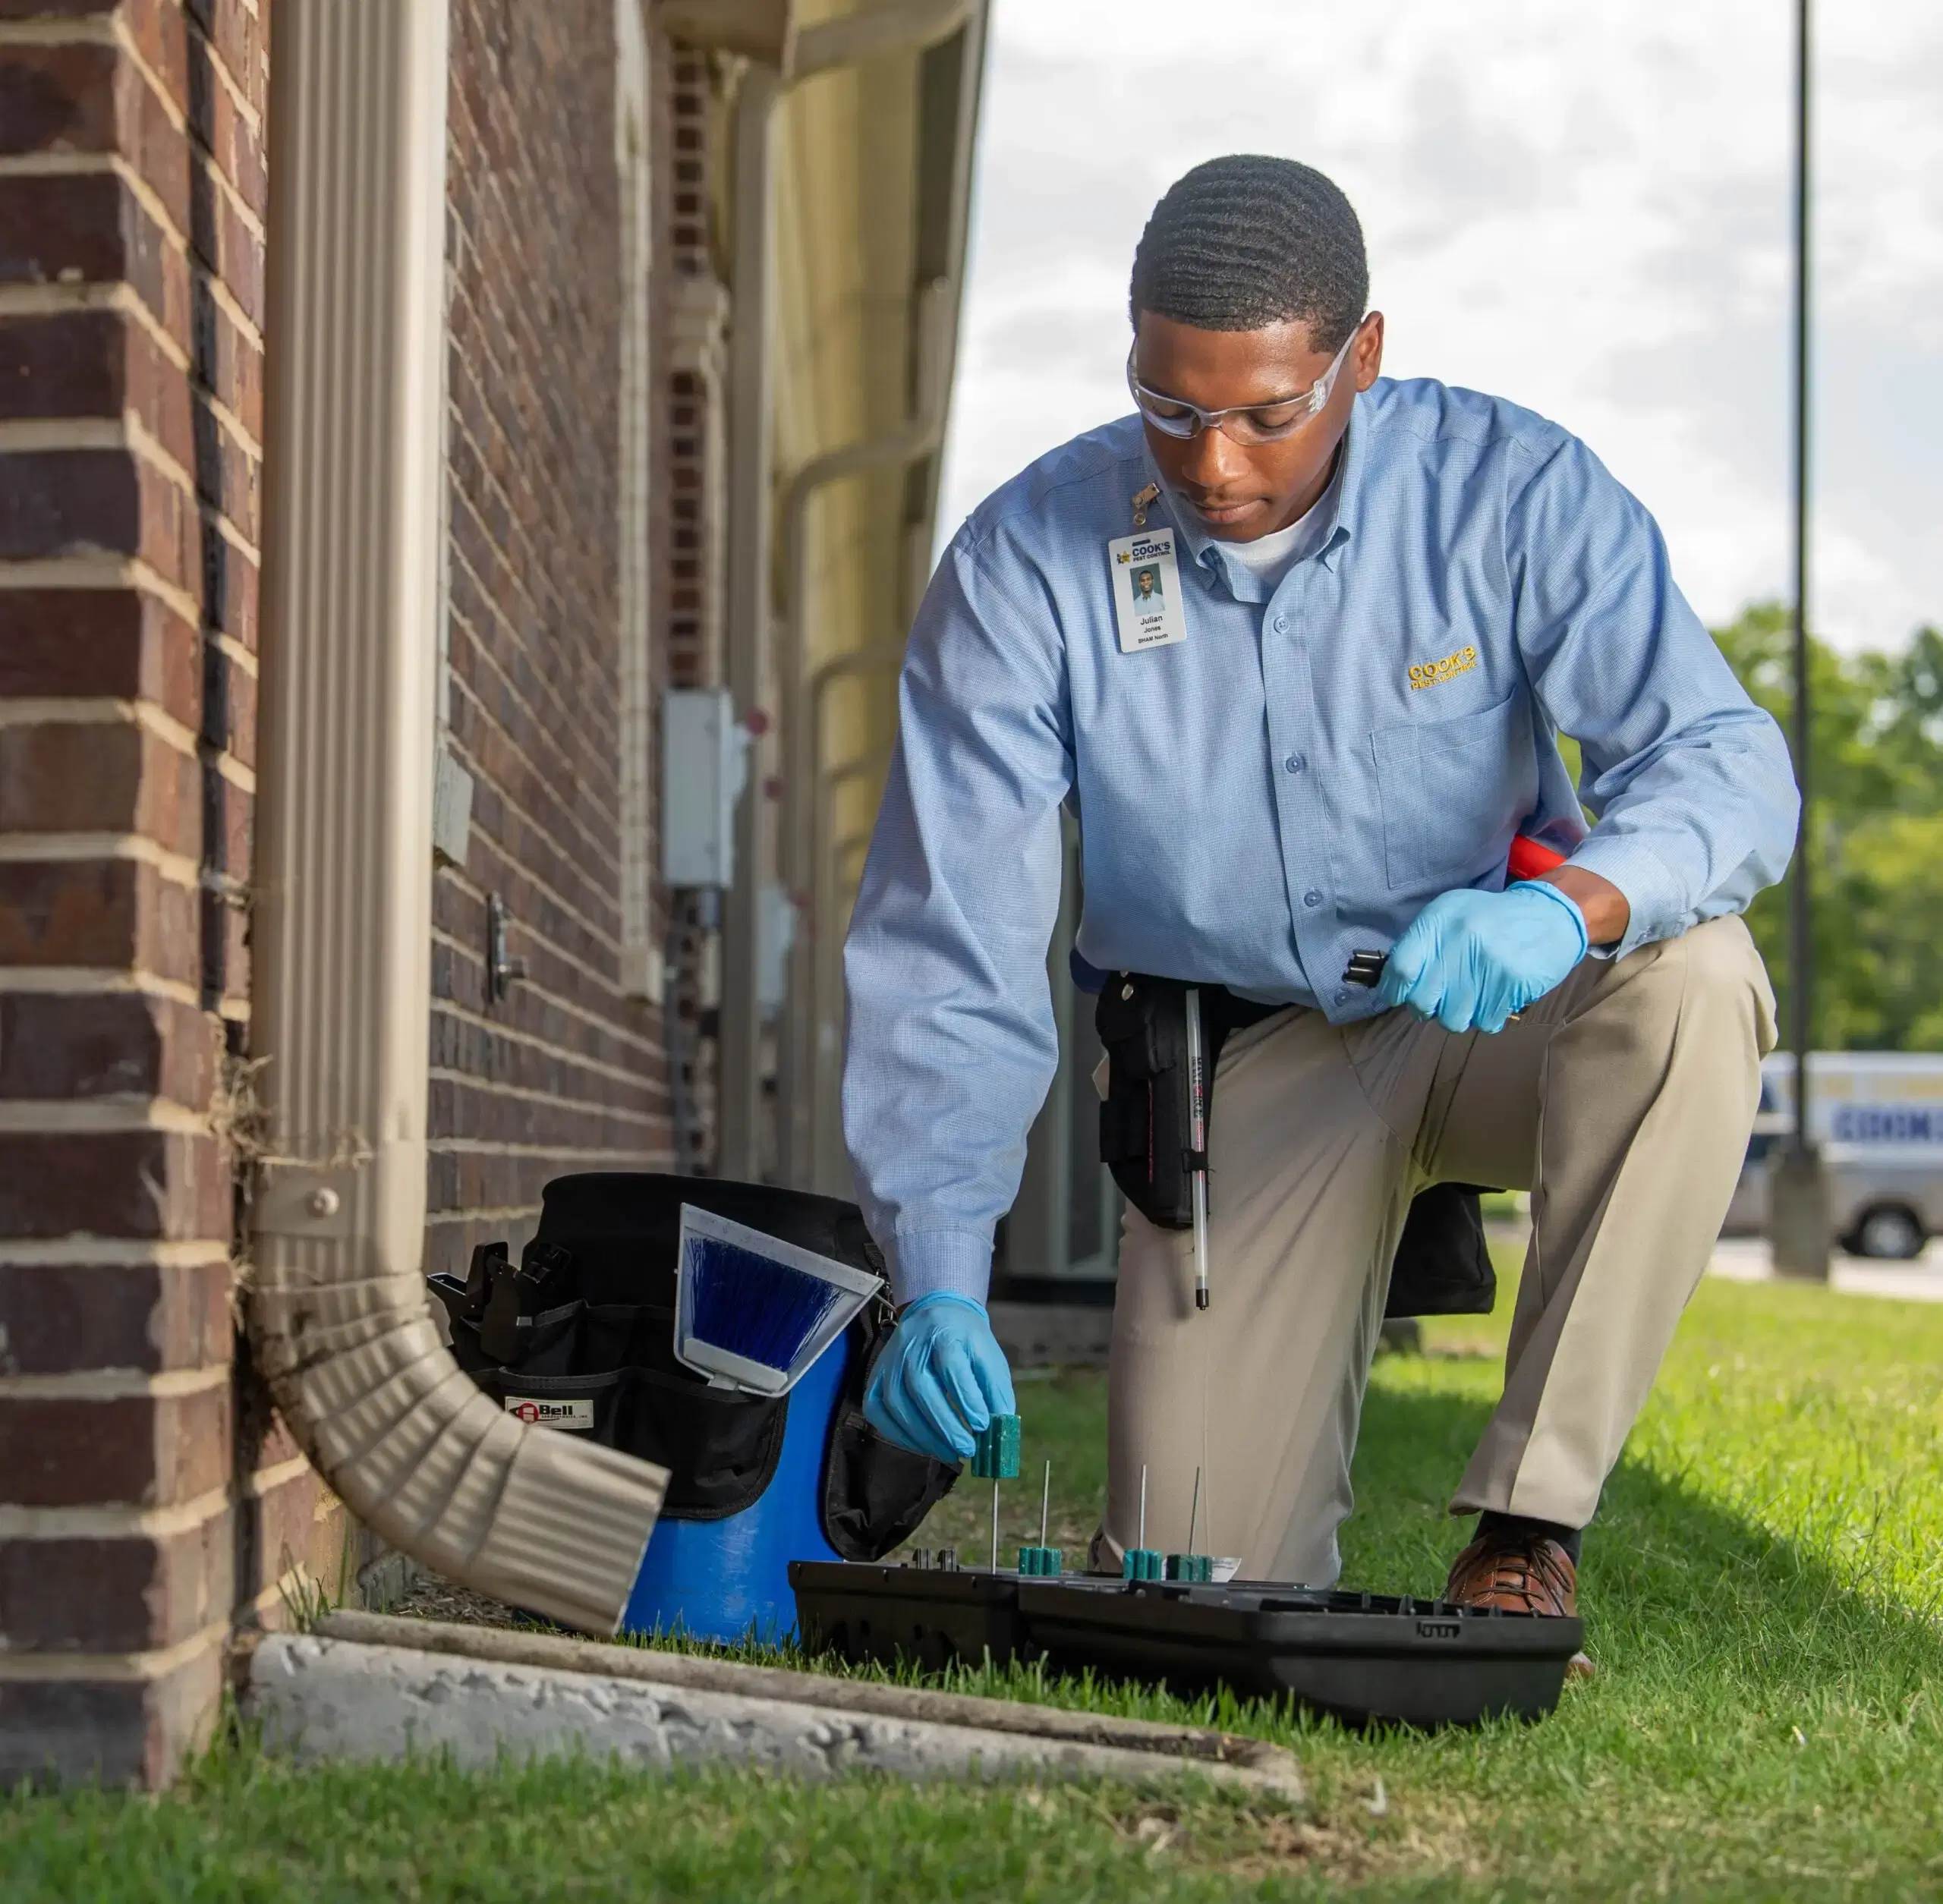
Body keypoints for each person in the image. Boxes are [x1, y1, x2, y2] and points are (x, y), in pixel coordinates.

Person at [841, 155, 1795, 1647]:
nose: (1212, 464)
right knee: (1186, 1593)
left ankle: (1525, 1521)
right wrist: (937, 1279)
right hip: (1240, 1067)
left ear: (1359, 355)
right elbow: (946, 942)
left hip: (1489, 1004)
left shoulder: (1511, 492)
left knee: (1694, 981)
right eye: (1170, 407)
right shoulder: (1025, 565)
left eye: (1266, 414)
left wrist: (1572, 909)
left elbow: (1725, 766)